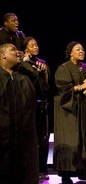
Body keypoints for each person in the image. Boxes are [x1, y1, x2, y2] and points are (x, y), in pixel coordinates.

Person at [53, 41, 86, 184]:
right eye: (78, 49)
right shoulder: (64, 68)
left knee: (85, 137)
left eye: (83, 49)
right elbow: (61, 89)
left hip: (84, 108)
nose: (81, 51)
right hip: (69, 110)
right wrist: (79, 87)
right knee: (71, 138)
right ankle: (66, 173)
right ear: (70, 53)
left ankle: (83, 171)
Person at [0, 43, 38, 184]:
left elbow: (42, 89)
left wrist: (26, 65)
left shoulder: (23, 77)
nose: (18, 52)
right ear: (2, 55)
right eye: (13, 50)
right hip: (4, 140)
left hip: (23, 141)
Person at [21, 36, 51, 181]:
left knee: (43, 138)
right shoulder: (22, 63)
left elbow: (45, 87)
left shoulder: (42, 63)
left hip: (41, 103)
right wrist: (27, 64)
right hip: (28, 104)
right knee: (32, 138)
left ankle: (43, 169)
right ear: (25, 48)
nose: (36, 47)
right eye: (32, 45)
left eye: (36, 45)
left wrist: (44, 72)